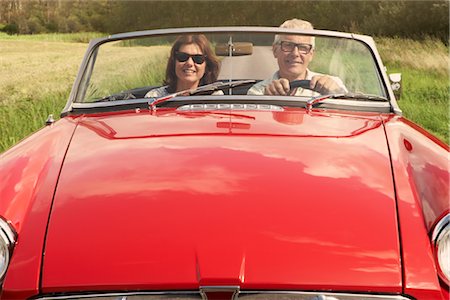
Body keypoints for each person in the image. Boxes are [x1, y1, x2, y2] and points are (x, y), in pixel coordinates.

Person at [247, 19, 347, 96]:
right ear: (275, 50)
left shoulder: (332, 85)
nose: (295, 53)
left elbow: (349, 118)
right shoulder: (258, 91)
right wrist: (267, 100)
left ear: (311, 54)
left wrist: (335, 94)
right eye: (288, 45)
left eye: (303, 47)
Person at [145, 34, 221, 97]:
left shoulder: (215, 98)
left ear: (206, 65)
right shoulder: (155, 97)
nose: (189, 63)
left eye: (198, 58)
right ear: (174, 61)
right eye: (182, 57)